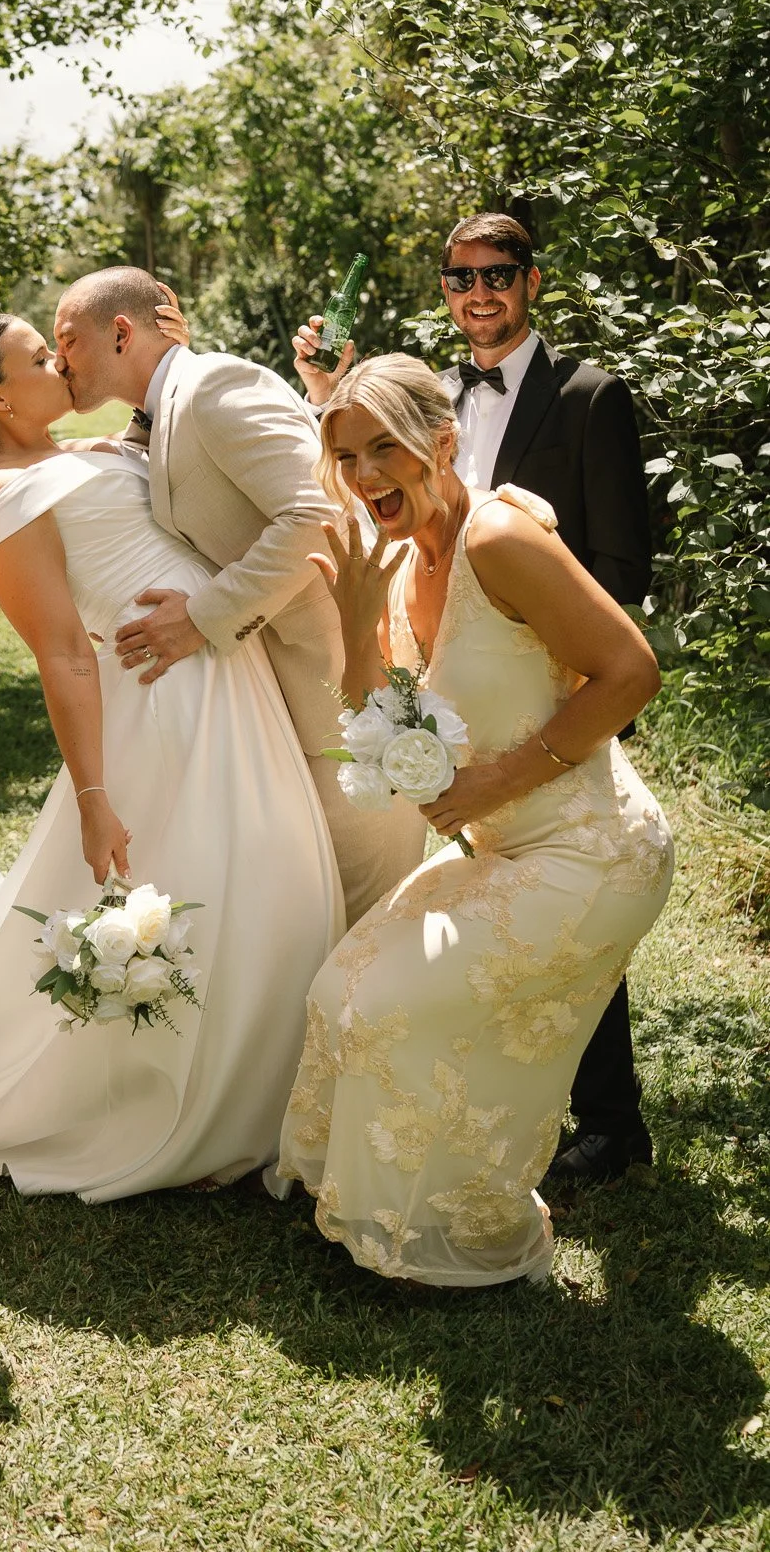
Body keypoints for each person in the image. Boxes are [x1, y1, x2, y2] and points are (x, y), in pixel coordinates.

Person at [0, 313, 345, 1199]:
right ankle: (181, 1098)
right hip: (158, 700)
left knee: (271, 875)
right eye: (36, 358)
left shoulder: (95, 444)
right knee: (210, 882)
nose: (57, 362)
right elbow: (60, 650)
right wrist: (94, 796)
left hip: (224, 674)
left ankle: (268, 1090)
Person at [271, 354, 672, 1287]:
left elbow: (631, 672)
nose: (366, 476)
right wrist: (360, 615)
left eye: (384, 450)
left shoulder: (498, 541)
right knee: (340, 991)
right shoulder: (404, 558)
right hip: (500, 848)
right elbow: (386, 731)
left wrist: (497, 784)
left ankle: (465, 1231)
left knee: (388, 1005)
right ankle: (382, 1211)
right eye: (346, 457)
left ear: (440, 443)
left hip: (591, 850)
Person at [52, 267, 424, 927]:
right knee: (318, 930)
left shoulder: (215, 387)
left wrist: (200, 619)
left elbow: (316, 515)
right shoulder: (167, 408)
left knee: (372, 925)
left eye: (66, 340)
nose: (58, 362)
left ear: (119, 333)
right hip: (281, 714)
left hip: (342, 700)